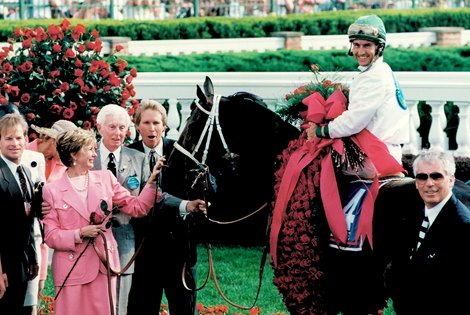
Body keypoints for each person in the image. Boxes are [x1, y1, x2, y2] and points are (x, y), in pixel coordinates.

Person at [305, 15, 409, 315]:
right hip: (375, 145)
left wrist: (321, 130)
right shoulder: (373, 71)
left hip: (377, 153)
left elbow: (355, 120)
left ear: (379, 48)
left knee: (316, 174)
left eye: (367, 45)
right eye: (357, 45)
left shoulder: (375, 75)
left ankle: (335, 243)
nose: (361, 50)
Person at [42, 128, 206, 315]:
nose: (95, 154)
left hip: (104, 267)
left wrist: (151, 182)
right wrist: (79, 234)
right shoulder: (51, 190)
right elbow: (50, 236)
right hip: (71, 270)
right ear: (73, 153)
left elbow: (136, 207)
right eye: (89, 149)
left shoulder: (105, 179)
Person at [127, 99, 198, 315]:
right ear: (137, 125)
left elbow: (200, 188)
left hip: (179, 250)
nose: (152, 128)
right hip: (143, 251)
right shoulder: (128, 154)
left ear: (165, 125)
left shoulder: (181, 153)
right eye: (146, 123)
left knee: (184, 308)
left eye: (156, 123)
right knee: (143, 308)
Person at [386, 148, 470, 314]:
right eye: (422, 177)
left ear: (451, 180)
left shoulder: (463, 227)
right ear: (416, 182)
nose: (429, 183)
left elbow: (461, 292)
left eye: (436, 176)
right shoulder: (412, 215)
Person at [0, 113, 39, 315]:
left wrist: (32, 257)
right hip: (3, 266)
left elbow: (28, 219)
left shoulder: (24, 171)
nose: (15, 143)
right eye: (8, 138)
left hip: (22, 264)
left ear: (26, 139)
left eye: (19, 137)